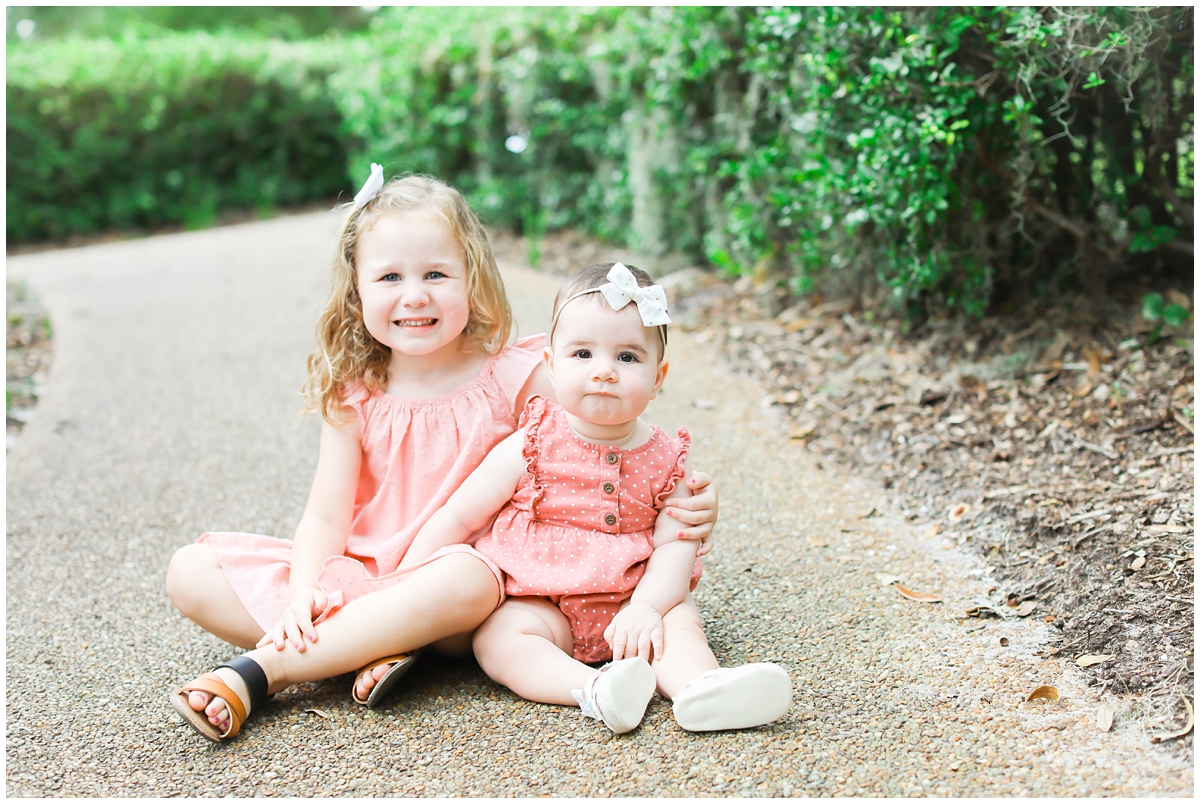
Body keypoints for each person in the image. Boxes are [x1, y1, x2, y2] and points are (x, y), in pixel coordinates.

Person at [166, 169, 720, 742]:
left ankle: (271, 670)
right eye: (389, 277)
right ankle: (372, 647)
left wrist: (695, 499)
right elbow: (326, 517)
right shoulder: (354, 392)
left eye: (435, 273)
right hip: (365, 575)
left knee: (466, 575)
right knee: (191, 571)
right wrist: (305, 589)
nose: (415, 295)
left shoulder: (514, 373)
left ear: (471, 279)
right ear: (356, 294)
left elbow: (615, 437)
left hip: (466, 587)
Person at [401, 262, 792, 734]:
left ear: (658, 375)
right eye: (583, 353)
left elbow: (676, 545)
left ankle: (701, 689)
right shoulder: (531, 442)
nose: (604, 371)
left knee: (680, 626)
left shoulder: (668, 458)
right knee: (500, 638)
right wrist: (404, 585)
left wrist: (647, 607)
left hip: (637, 600)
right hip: (544, 602)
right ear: (551, 364)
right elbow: (460, 514)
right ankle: (595, 690)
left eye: (627, 358)